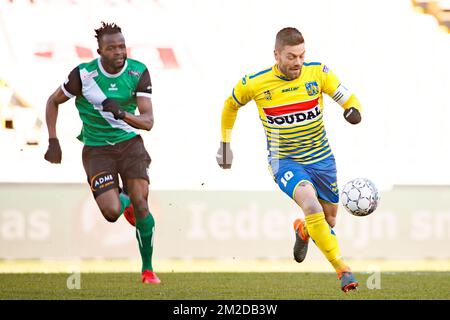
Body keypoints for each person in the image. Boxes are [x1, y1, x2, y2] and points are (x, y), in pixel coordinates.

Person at [216, 27, 362, 292]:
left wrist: (353, 111)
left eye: (301, 56)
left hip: (322, 159)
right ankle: (343, 269)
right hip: (284, 160)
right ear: (277, 55)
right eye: (292, 56)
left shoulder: (318, 73)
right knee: (311, 204)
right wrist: (225, 144)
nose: (298, 62)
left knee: (328, 222)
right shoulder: (255, 83)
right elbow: (230, 105)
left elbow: (348, 98)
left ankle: (303, 230)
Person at [44, 22, 160, 284]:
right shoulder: (83, 76)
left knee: (142, 203)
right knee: (111, 212)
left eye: (122, 46)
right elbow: (53, 101)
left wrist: (122, 113)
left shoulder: (138, 71)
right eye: (112, 48)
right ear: (100, 50)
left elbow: (149, 121)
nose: (119, 51)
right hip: (97, 149)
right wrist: (53, 140)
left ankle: (148, 270)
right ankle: (125, 200)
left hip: (130, 144)